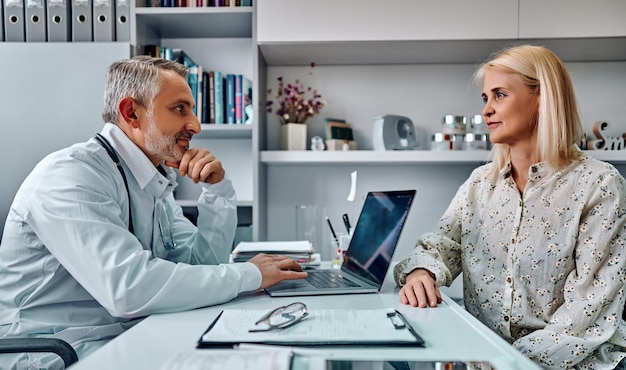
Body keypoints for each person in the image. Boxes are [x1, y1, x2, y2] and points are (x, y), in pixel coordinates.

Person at [0, 56, 307, 369]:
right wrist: (250, 274)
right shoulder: (70, 175)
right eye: (180, 109)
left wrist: (218, 192)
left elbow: (202, 264)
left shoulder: (149, 179)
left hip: (123, 336)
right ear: (131, 113)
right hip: (54, 352)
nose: (196, 125)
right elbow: (128, 288)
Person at [394, 45, 626, 369]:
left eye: (500, 95)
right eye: (485, 98)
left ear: (543, 97)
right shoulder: (479, 184)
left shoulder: (599, 184)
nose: (487, 110)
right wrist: (421, 271)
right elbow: (439, 244)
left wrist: (502, 361)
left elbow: (588, 310)